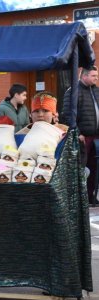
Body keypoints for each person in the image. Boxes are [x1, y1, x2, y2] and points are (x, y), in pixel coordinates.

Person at [62, 66, 99, 203]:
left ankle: (91, 197)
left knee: (95, 169)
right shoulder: (73, 91)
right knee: (81, 169)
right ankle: (79, 199)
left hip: (96, 137)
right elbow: (67, 114)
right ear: (84, 76)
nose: (96, 78)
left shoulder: (96, 91)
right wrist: (77, 132)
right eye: (93, 76)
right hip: (83, 137)